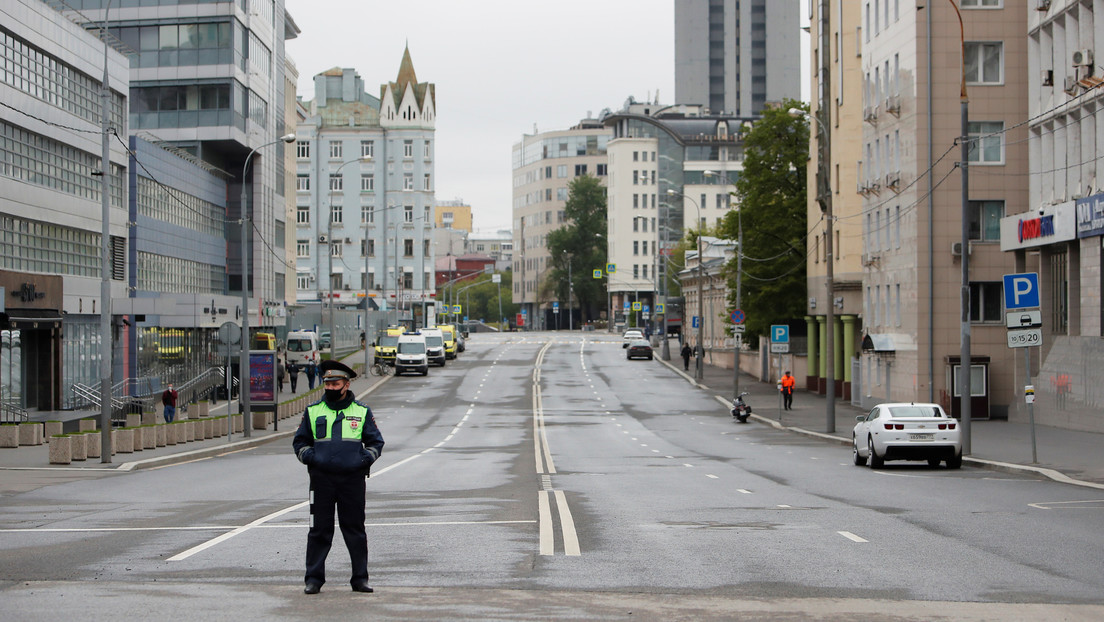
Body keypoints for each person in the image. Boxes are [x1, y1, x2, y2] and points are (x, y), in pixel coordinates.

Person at [293, 360, 384, 595]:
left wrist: (362, 461)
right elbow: (300, 442)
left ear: (346, 384)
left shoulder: (361, 411)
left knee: (354, 530)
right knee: (319, 531)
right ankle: (313, 579)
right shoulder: (313, 411)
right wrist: (311, 458)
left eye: (335, 383)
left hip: (351, 481)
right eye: (328, 383)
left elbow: (376, 442)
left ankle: (360, 579)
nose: (331, 388)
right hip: (321, 480)